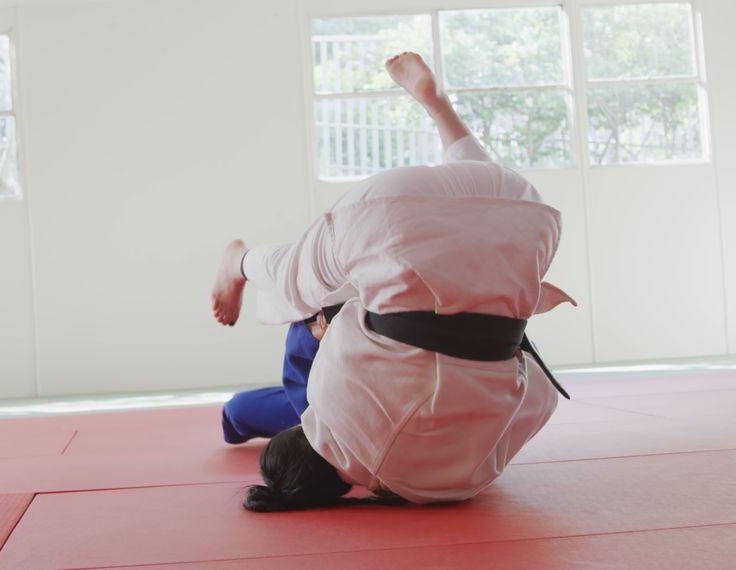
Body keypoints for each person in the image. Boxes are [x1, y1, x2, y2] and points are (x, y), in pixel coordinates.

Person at [211, 52, 575, 512]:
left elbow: (539, 399)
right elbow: (334, 322)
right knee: (296, 284)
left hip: (521, 207)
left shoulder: (459, 478)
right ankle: (239, 262)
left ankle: (439, 108)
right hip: (387, 210)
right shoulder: (338, 412)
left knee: (484, 211)